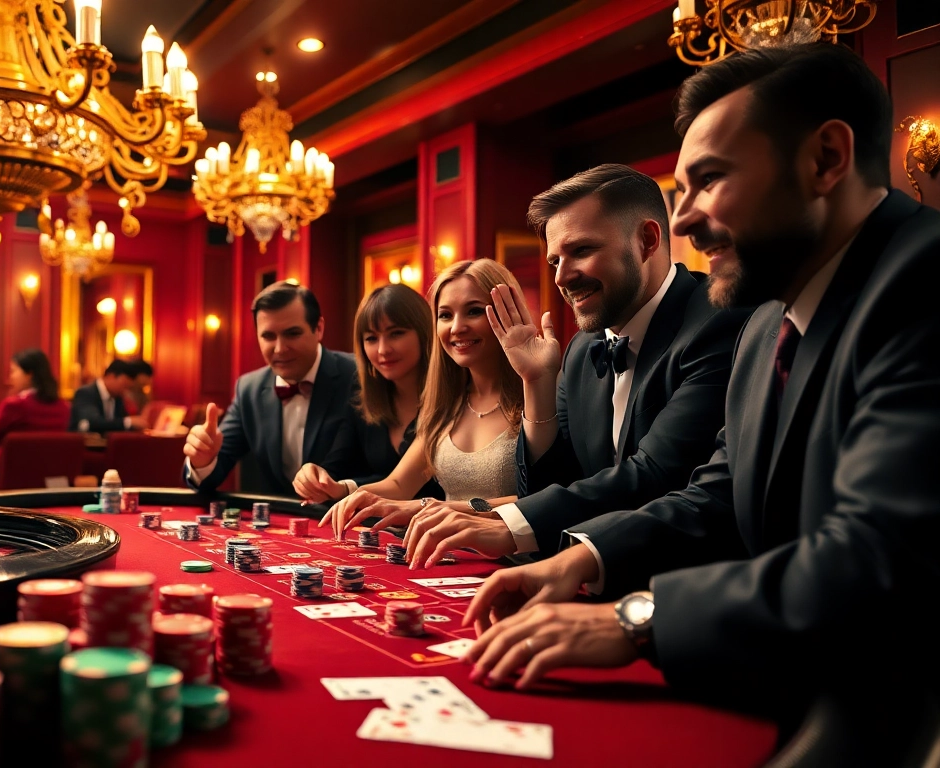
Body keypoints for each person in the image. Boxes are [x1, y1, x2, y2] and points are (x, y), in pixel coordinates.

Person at [459, 45, 940, 755]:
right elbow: (715, 494)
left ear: (826, 159)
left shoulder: (923, 281)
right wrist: (584, 559)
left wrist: (637, 620)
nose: (681, 222)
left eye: (708, 180)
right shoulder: (765, 325)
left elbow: (878, 562)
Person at [399, 165, 750, 568]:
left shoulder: (717, 320)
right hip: (583, 575)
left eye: (581, 250)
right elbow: (557, 483)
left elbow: (656, 475)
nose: (562, 276)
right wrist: (537, 382)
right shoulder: (583, 348)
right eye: (554, 260)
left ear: (647, 240)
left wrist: (506, 524)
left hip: (680, 585)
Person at [320, 259, 526, 538]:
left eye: (474, 311)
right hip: (445, 554)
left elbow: (541, 497)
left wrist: (437, 506)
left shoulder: (535, 391)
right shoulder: (447, 401)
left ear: (507, 312)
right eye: (445, 315)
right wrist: (354, 495)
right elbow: (398, 484)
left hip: (516, 558)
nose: (457, 327)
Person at [183, 281, 359, 497]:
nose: (280, 349)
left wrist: (344, 489)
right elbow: (213, 472)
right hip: (278, 526)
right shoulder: (249, 389)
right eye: (268, 336)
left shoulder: (359, 376)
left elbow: (389, 471)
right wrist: (203, 460)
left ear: (319, 329)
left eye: (292, 333)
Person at [293, 284, 443, 504]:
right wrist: (313, 476)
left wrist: (346, 489)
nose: (382, 350)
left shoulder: (449, 402)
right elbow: (335, 469)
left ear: (424, 332)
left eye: (396, 334)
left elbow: (402, 485)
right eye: (371, 338)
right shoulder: (363, 404)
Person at [0, 348, 71, 452]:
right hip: (55, 467)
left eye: (13, 371)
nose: (11, 377)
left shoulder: (15, 406)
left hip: (13, 467)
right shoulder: (64, 407)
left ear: (29, 374)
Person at [69, 360, 145, 434]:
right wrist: (128, 422)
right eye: (124, 386)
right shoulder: (85, 393)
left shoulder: (118, 397)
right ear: (111, 376)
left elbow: (120, 422)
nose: (125, 391)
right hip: (84, 444)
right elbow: (92, 422)